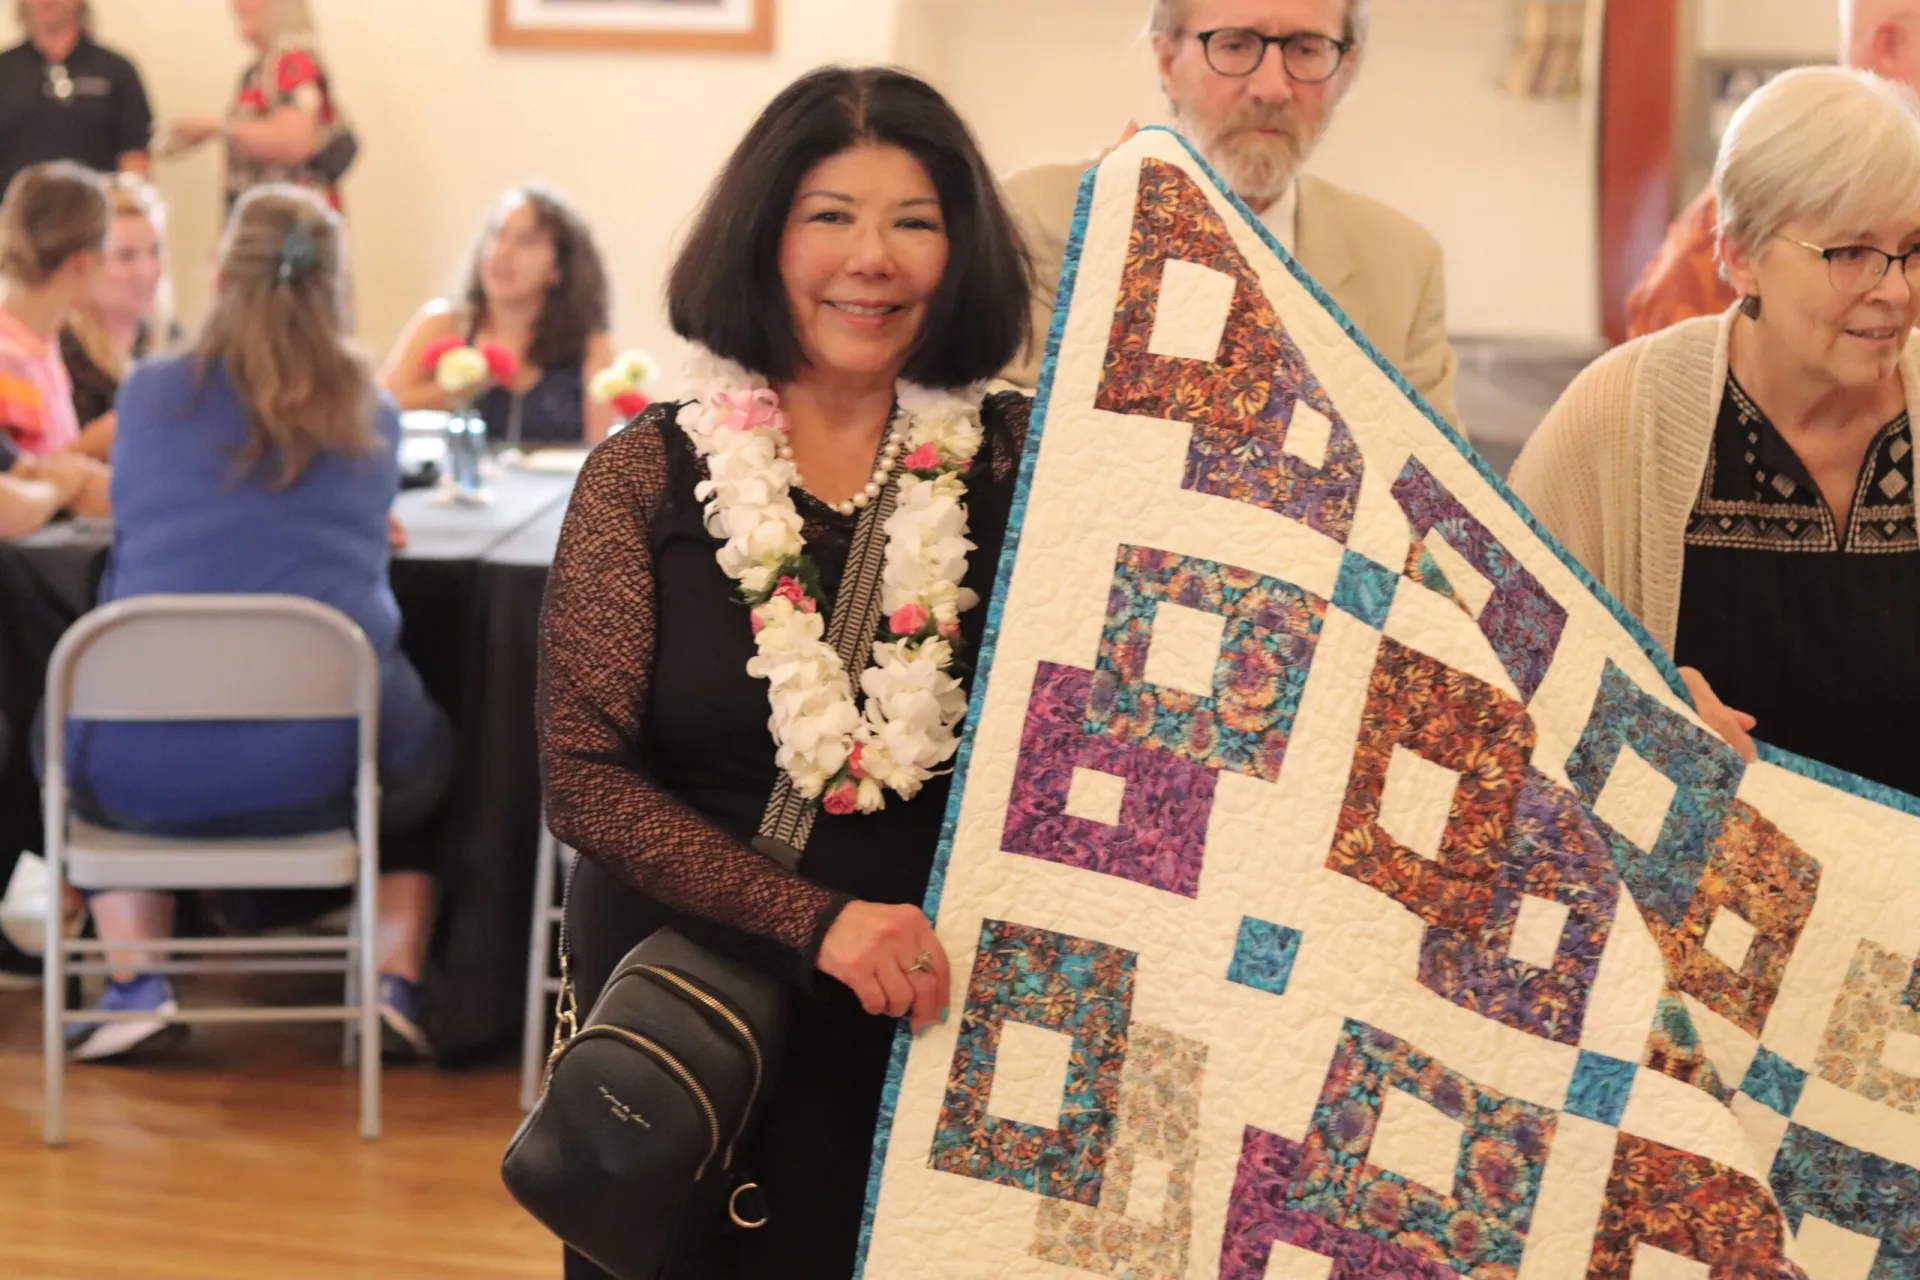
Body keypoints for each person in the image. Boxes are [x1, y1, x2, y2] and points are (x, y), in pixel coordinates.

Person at [539, 66, 1031, 1279]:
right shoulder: (643, 474)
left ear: (959, 252)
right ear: (763, 236)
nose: (874, 258)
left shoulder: (1024, 467)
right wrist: (816, 923)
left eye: (914, 221)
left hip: (924, 1023)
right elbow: (582, 781)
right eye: (832, 215)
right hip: (689, 1026)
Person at [47, 185, 451, 1062]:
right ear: (338, 285)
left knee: (104, 718)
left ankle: (134, 979)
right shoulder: (372, 415)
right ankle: (395, 978)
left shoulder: (152, 398)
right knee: (425, 738)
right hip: (322, 769)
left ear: (222, 274)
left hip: (135, 770)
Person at [1511, 66, 1920, 794]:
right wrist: (1622, 702)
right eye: (1850, 253)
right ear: (1738, 255)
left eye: (1914, 248)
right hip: (1679, 898)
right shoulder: (1622, 413)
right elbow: (1497, 654)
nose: (1895, 289)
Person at [999, 0, 1461, 426]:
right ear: (1167, 62)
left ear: (1347, 70)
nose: (1272, 88)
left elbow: (1440, 496)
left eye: (1306, 49)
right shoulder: (1034, 219)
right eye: (1236, 45)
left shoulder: (1404, 261)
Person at [1626, 0, 1920, 337]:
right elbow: (1668, 363)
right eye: (1852, 254)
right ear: (1890, 45)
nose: (1896, 292)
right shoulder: (1769, 197)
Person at [381, 186, 617, 446]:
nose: (502, 252)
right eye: (497, 235)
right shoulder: (444, 323)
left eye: (526, 241)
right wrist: (454, 393)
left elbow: (602, 452)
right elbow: (380, 410)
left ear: (558, 268)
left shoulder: (590, 346)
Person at [161, 0, 352, 214]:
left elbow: (295, 141)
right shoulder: (260, 70)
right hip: (263, 217)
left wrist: (218, 128)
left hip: (291, 223)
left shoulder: (292, 63)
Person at [60, 173, 174, 460]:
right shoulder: (62, 356)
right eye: (125, 256)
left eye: (155, 251)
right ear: (83, 263)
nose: (148, 271)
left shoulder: (171, 340)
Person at [0, 159, 108, 458]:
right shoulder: (9, 359)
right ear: (83, 262)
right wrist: (90, 447)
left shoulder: (42, 342)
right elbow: (19, 485)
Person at [0, 0, 152, 202]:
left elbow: (134, 159)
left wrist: (125, 211)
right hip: (13, 221)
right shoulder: (5, 69)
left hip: (94, 221)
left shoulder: (116, 71)